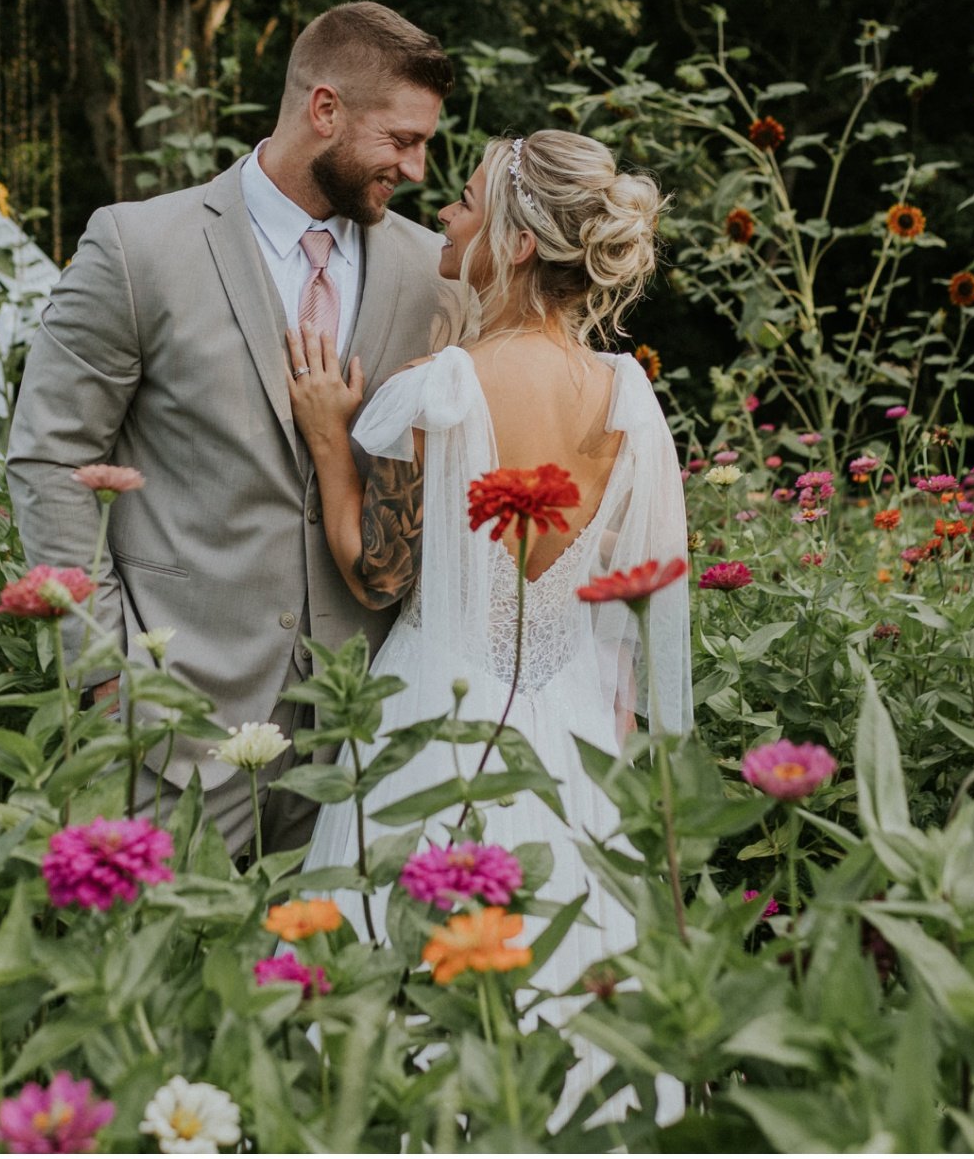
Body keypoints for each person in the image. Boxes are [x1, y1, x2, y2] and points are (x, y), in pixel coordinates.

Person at [284, 129, 689, 1121]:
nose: (446, 216)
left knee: (398, 993)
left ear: (512, 242)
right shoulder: (626, 397)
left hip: (440, 715)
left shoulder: (444, 383)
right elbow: (630, 632)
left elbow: (378, 571)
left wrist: (332, 440)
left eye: (465, 202)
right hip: (579, 736)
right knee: (572, 988)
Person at [7, 2, 461, 855]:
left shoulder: (425, 268)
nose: (418, 166)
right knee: (148, 971)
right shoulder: (138, 247)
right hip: (172, 722)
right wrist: (107, 672)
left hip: (356, 734)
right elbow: (49, 456)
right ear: (324, 110)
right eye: (401, 139)